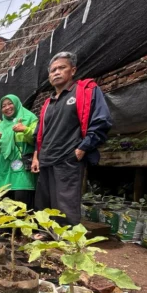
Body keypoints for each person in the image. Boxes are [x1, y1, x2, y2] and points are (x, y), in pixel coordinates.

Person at [32, 52, 112, 225]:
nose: (56, 72)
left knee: (65, 203)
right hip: (46, 159)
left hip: (68, 157)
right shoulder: (48, 102)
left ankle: (67, 243)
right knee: (44, 203)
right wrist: (36, 156)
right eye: (53, 70)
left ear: (73, 70)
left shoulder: (85, 91)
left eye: (62, 68)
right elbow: (40, 132)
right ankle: (46, 234)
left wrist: (83, 148)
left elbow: (101, 120)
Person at [0, 94, 38, 208]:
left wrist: (25, 130)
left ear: (16, 103)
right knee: (3, 208)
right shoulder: (1, 125)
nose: (7, 108)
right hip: (3, 169)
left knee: (22, 204)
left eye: (10, 103)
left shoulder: (29, 118)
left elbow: (37, 140)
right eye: (4, 106)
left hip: (21, 168)